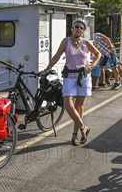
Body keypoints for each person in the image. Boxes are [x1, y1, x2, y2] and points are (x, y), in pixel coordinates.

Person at [40, 18, 101, 146]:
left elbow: (98, 54)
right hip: (69, 76)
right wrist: (46, 70)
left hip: (83, 77)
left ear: (83, 31)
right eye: (77, 27)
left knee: (79, 106)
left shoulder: (86, 43)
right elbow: (56, 56)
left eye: (81, 28)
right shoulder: (66, 41)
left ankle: (75, 135)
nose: (79, 29)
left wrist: (92, 65)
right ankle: (83, 128)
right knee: (68, 105)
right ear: (72, 29)